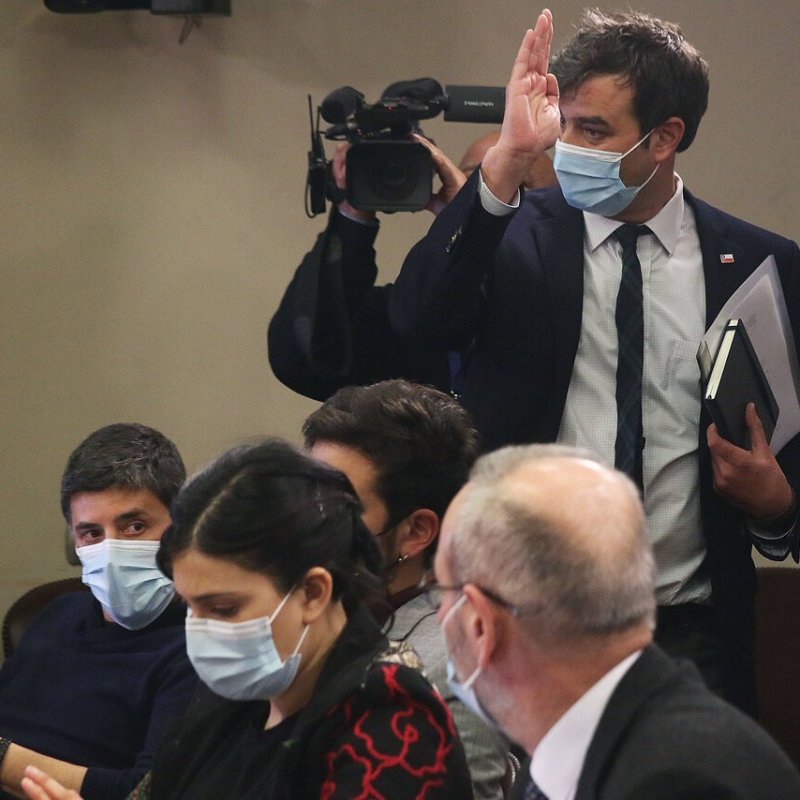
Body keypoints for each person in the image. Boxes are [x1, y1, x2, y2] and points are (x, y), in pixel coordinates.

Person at [388, 8, 800, 714]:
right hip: (528, 619)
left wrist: (779, 507)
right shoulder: (510, 234)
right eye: (567, 125)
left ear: (664, 137)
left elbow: (784, 438)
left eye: (594, 131)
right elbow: (417, 321)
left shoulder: (762, 263)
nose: (569, 147)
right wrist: (506, 159)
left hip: (690, 627)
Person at [19, 438, 475, 800]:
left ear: (313, 593)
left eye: (223, 608)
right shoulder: (232, 697)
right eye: (190, 607)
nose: (201, 632)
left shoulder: (391, 722)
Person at [430, 443, 800, 799]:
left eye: (441, 589)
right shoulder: (565, 752)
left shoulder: (676, 779)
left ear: (481, 623)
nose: (440, 613)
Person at [304, 379, 511, 800]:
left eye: (338, 506)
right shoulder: (287, 617)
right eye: (304, 494)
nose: (307, 521)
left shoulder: (455, 670)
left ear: (416, 531)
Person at [267, 131, 557, 402]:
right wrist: (353, 214)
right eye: (476, 182)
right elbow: (304, 360)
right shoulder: (411, 318)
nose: (490, 199)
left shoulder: (563, 312)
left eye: (516, 185)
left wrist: (483, 224)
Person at [0, 423, 196, 800]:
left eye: (134, 526)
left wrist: (4, 759)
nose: (111, 550)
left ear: (181, 525)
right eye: (92, 533)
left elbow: (143, 790)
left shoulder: (199, 646)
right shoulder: (56, 614)